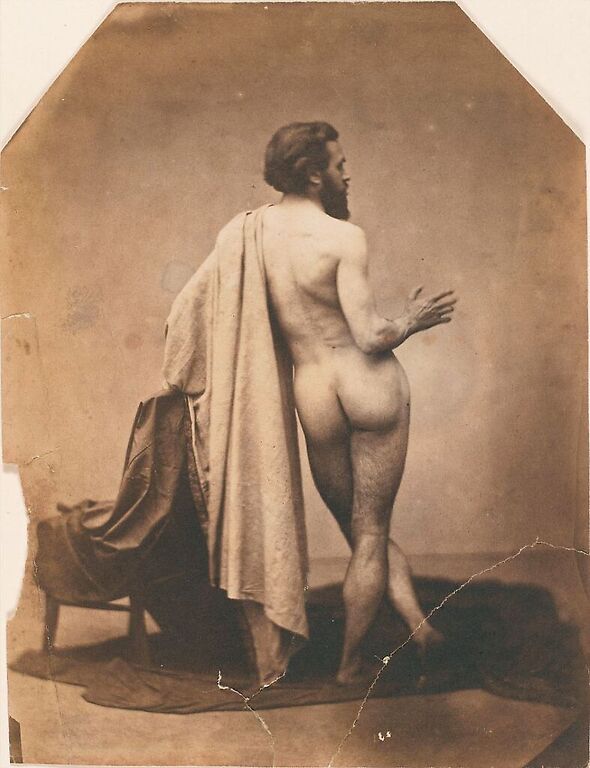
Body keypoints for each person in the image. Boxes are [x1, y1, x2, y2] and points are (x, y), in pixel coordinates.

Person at [261, 121, 457, 684]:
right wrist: (411, 320)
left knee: (359, 532)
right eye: (339, 164)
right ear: (314, 174)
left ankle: (421, 629)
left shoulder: (252, 233)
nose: (347, 174)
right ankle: (350, 666)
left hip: (314, 392)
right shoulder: (343, 238)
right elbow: (370, 337)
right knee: (370, 533)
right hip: (367, 386)